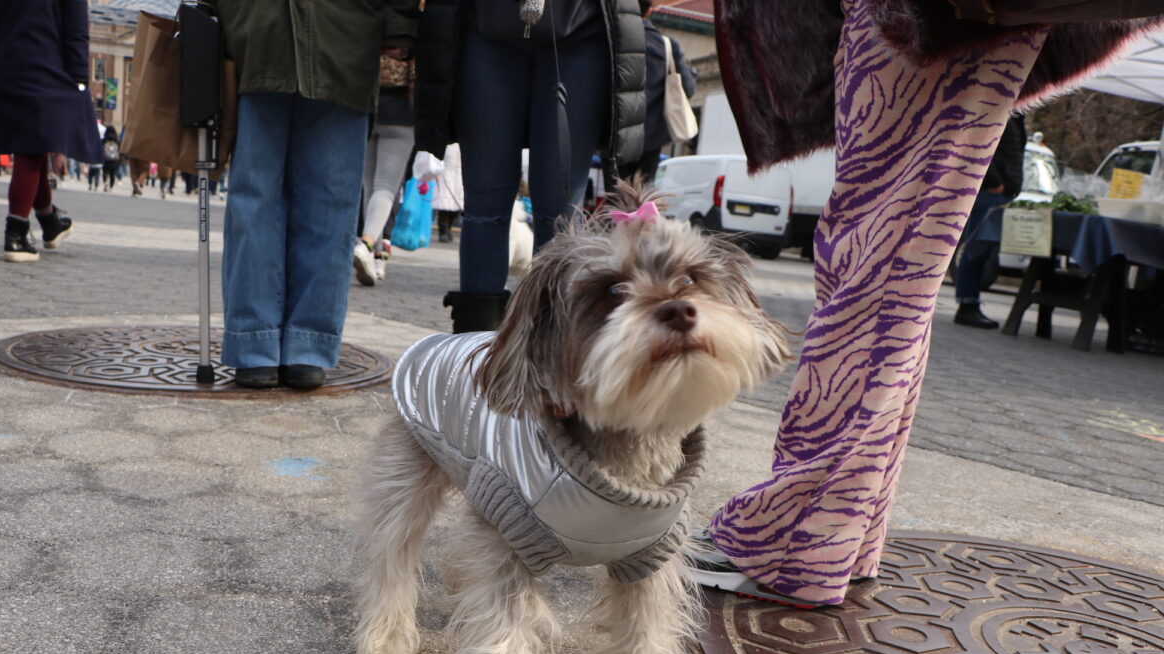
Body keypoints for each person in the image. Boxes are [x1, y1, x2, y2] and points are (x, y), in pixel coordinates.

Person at [689, 0, 1164, 607]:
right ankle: (840, 535)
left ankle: (796, 538)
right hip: (940, 19)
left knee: (876, 257)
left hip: (931, 15)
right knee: (891, 260)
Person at [213, 0, 419, 389]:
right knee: (257, 198)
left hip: (342, 34)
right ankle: (260, 340)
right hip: (263, 31)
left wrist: (399, 25)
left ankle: (303, 341)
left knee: (327, 200)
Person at [415, 0, 645, 333]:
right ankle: (476, 348)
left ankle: (551, 344)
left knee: (561, 210)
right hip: (482, 24)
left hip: (583, 28)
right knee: (484, 203)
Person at [0, 0, 101, 262]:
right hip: (46, 63)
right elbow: (75, 29)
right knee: (32, 148)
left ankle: (49, 220)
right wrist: (79, 77)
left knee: (33, 145)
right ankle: (16, 233)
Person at [954, 114, 1026, 329]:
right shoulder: (1002, 111)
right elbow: (980, 147)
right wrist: (994, 183)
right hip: (989, 193)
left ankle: (971, 303)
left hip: (999, 194)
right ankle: (966, 305)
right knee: (976, 248)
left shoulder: (1016, 116)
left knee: (981, 250)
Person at [353, 53, 417, 287]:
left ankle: (374, 258)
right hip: (402, 113)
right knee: (386, 187)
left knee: (369, 188)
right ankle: (367, 244)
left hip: (369, 107)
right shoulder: (410, 30)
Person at [619, 0, 696, 184]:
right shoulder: (667, 45)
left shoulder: (614, 40)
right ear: (649, 11)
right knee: (644, 195)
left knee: (615, 194)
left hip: (616, 131)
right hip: (651, 135)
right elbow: (689, 89)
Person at [100, 125, 120, 191]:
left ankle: (105, 181)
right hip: (114, 160)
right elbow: (119, 150)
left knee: (105, 172)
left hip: (106, 159)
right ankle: (111, 187)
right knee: (112, 174)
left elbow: (100, 148)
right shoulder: (117, 140)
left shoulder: (104, 140)